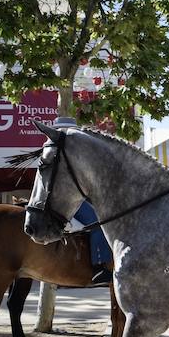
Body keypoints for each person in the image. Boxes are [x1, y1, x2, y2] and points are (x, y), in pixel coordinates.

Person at [51, 116, 113, 286]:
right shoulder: (65, 155)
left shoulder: (58, 152)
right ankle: (99, 268)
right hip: (65, 202)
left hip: (65, 199)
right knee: (98, 222)